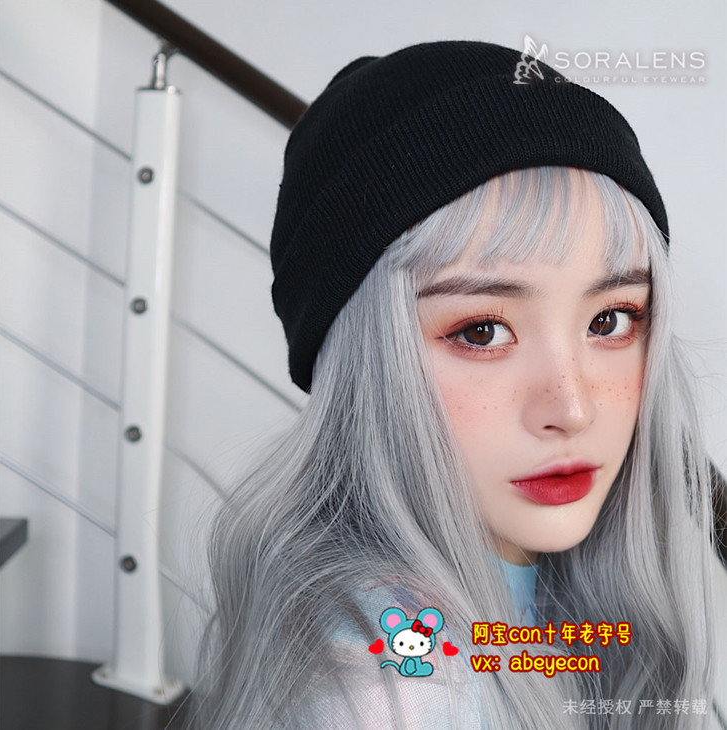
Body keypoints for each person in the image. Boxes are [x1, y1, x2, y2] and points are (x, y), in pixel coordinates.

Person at [184, 41, 722, 729]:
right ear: (367, 365)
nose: (572, 408)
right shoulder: (395, 692)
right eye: (482, 331)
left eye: (610, 320)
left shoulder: (546, 598)